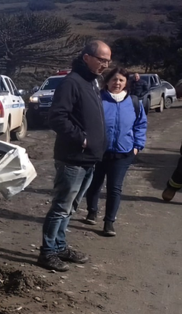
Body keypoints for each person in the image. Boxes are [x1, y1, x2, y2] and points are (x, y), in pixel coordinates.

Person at [38, 40, 111, 272]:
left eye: (108, 61)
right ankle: (48, 251)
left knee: (70, 208)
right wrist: (83, 139)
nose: (105, 65)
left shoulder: (92, 82)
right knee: (61, 207)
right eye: (102, 60)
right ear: (87, 57)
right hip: (73, 158)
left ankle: (60, 246)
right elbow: (57, 117)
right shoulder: (72, 82)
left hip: (89, 159)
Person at [84, 68, 147, 237]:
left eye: (121, 80)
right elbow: (87, 122)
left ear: (126, 83)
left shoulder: (134, 102)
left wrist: (137, 146)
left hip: (123, 152)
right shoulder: (98, 99)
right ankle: (91, 211)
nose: (117, 83)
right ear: (107, 81)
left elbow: (140, 125)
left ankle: (109, 222)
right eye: (114, 80)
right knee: (94, 183)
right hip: (99, 152)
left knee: (115, 188)